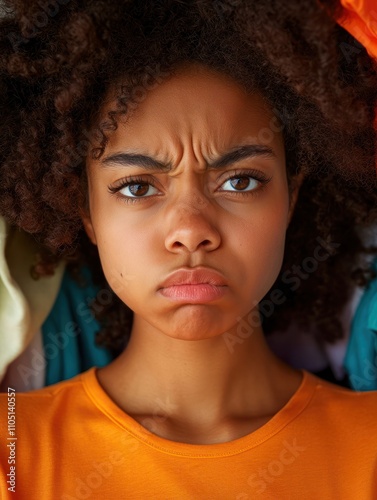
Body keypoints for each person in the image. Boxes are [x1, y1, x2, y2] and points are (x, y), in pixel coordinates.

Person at [0, 0, 377, 498]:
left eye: (240, 181)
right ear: (87, 212)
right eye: (137, 187)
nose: (190, 230)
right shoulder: (11, 448)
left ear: (292, 195)